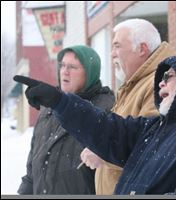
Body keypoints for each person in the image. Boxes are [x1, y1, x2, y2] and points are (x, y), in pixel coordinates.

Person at [14, 53, 176, 194]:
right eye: (160, 78)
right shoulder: (156, 126)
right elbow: (107, 129)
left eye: (169, 76)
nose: (161, 83)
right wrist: (59, 101)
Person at [81, 18, 176, 194]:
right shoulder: (134, 83)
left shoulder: (160, 84)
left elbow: (151, 144)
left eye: (117, 46)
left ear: (142, 49)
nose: (112, 54)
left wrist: (102, 150)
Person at [17, 45, 115, 194]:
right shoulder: (48, 109)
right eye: (62, 65)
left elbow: (111, 173)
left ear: (89, 73)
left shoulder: (107, 109)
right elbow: (32, 170)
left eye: (73, 67)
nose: (65, 71)